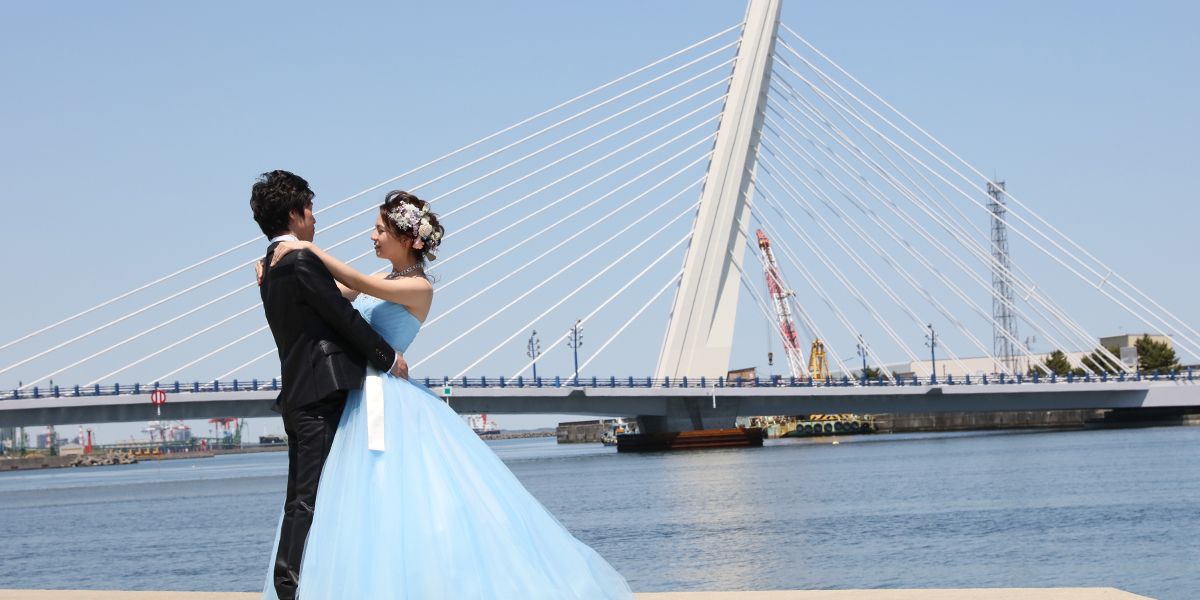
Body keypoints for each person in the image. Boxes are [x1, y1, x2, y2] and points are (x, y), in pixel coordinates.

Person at [260, 190, 634, 599]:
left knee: (402, 495)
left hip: (389, 400)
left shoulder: (418, 287)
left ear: (406, 239)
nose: (372, 236)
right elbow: (329, 294)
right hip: (357, 399)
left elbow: (354, 282)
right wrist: (278, 271)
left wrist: (303, 248)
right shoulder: (386, 279)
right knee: (361, 503)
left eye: (380, 229)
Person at [250, 170, 408, 600]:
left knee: (301, 497)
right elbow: (341, 321)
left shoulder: (270, 267)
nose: (315, 218)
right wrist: (387, 357)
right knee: (309, 498)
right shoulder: (299, 260)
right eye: (311, 210)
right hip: (321, 393)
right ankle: (292, 588)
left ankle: (306, 583)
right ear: (296, 214)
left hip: (299, 394)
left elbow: (317, 311)